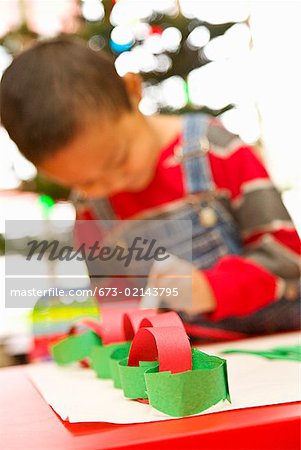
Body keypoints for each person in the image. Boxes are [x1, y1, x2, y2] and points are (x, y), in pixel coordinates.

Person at [1, 37, 300, 339]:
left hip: (276, 347)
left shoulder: (219, 153)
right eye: (84, 182)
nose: (111, 184)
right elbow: (111, 294)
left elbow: (287, 259)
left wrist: (212, 288)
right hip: (183, 368)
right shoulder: (91, 208)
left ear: (133, 92)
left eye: (118, 160)